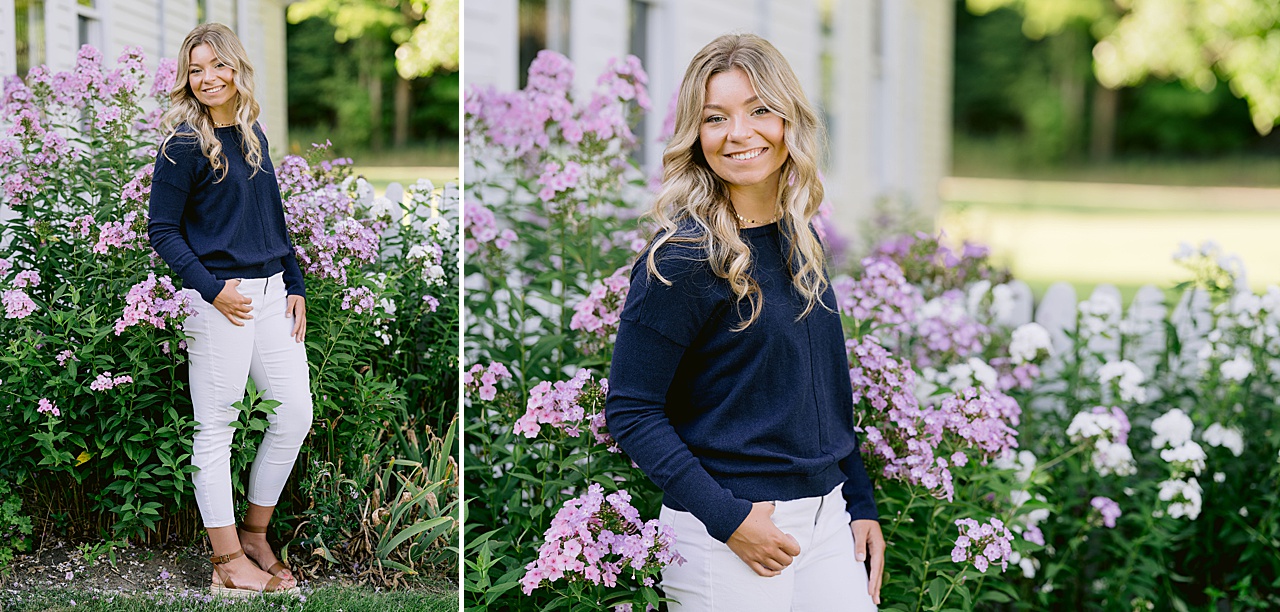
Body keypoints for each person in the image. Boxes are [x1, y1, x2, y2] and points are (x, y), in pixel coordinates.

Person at [604, 33, 885, 611]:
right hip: (726, 537)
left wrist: (859, 502)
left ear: (789, 121)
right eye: (715, 117)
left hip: (828, 523)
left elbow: (824, 392)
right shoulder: (683, 258)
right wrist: (729, 520)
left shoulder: (800, 240)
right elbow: (631, 410)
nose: (739, 133)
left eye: (759, 110)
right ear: (695, 135)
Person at [148, 22, 311, 597]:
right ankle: (226, 561)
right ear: (186, 78)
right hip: (220, 301)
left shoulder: (250, 129)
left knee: (293, 413)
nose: (208, 78)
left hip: (271, 296)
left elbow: (273, 215)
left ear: (237, 69)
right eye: (196, 69)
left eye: (218, 66)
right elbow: (162, 230)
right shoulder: (182, 146)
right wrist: (212, 289)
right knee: (215, 429)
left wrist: (294, 281)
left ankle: (255, 535)